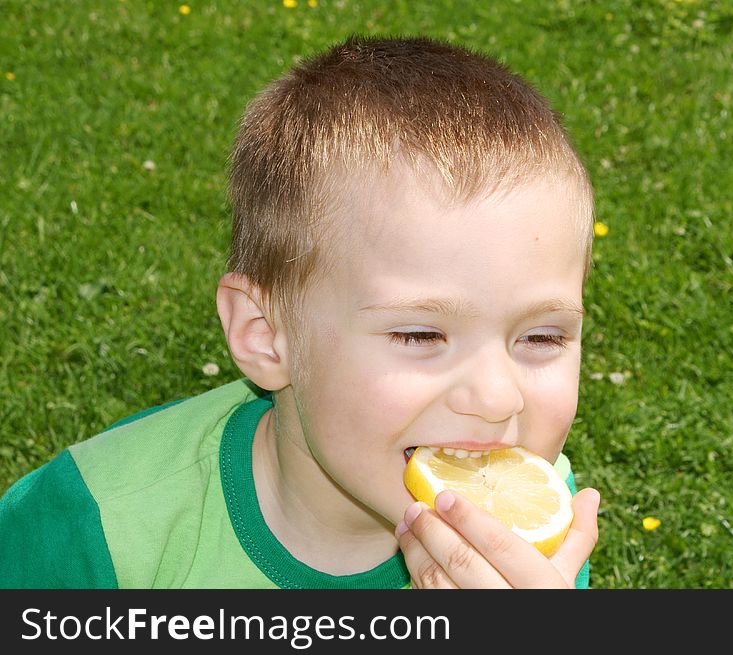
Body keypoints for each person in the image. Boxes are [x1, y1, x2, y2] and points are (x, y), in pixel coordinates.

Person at [0, 35, 600, 588]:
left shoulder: (531, 520)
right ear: (266, 337)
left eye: (542, 338)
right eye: (420, 334)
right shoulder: (95, 526)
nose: (498, 399)